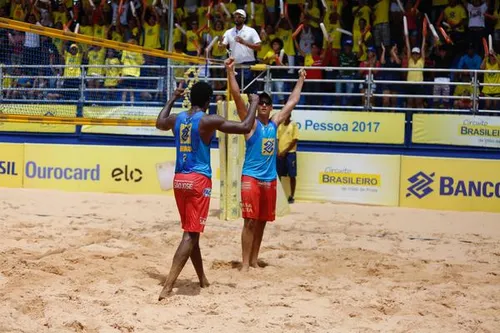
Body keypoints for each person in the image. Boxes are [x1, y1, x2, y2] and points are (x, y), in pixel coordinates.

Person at [156, 58, 259, 300]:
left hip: (179, 180)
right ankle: (168, 286)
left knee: (192, 232)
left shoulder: (178, 119)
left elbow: (159, 122)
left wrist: (172, 97)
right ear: (207, 101)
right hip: (198, 180)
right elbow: (245, 127)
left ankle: (202, 279)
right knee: (190, 235)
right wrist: (252, 103)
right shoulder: (207, 120)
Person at [228, 63, 306, 272]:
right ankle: (245, 263)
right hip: (251, 178)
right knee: (249, 222)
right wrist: (229, 72)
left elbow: (293, 101)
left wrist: (301, 79)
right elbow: (237, 96)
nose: (263, 105)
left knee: (262, 222)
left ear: (271, 108)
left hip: (269, 180)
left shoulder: (274, 123)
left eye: (266, 103)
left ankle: (254, 260)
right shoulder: (250, 124)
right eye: (260, 103)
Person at [220, 9, 261, 93]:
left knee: (249, 92)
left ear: (244, 19)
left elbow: (259, 47)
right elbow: (221, 48)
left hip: (248, 65)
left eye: (239, 16)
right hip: (234, 65)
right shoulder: (228, 32)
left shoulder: (251, 31)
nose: (236, 18)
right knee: (235, 92)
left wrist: (244, 42)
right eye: (235, 16)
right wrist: (220, 43)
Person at [277, 114, 299, 204]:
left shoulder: (293, 125)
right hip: (280, 154)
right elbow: (277, 139)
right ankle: (278, 195)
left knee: (292, 175)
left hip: (290, 153)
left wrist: (285, 151)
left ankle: (291, 196)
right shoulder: (280, 126)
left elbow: (295, 140)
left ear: (289, 116)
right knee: (278, 175)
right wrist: (278, 151)